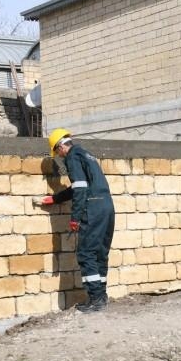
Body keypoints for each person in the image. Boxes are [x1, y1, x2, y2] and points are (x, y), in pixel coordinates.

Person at [40, 129, 115, 312]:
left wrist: (75, 217)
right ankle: (101, 296)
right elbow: (80, 186)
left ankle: (95, 298)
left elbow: (80, 189)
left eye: (57, 152)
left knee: (86, 253)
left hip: (93, 208)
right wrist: (56, 198)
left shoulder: (72, 157)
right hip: (107, 206)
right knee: (99, 253)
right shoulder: (86, 154)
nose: (58, 156)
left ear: (60, 147)